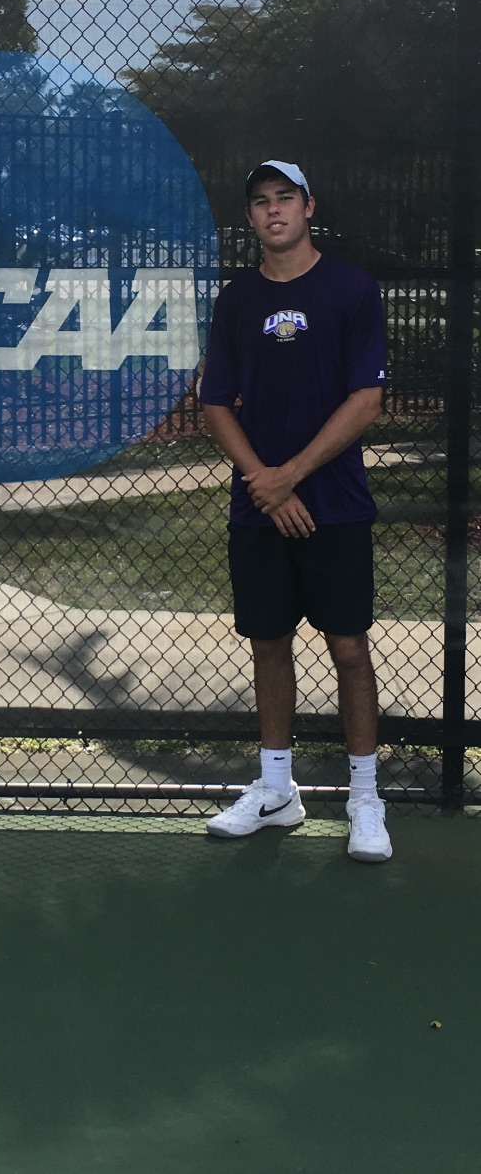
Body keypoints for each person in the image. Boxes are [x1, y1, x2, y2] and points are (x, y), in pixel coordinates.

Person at [200, 159, 391, 862]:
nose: (273, 211)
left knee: (347, 649)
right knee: (269, 645)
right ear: (250, 218)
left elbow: (366, 400)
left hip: (333, 506)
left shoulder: (352, 290)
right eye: (260, 202)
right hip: (259, 510)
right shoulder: (236, 300)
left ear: (309, 206)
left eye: (285, 198)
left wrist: (291, 478)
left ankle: (365, 799)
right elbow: (216, 402)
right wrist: (263, 483)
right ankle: (277, 791)